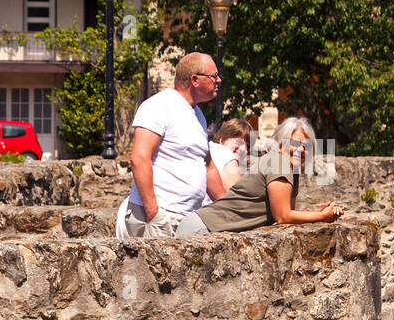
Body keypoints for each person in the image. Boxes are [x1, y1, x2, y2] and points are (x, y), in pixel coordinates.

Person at [175, 115, 344, 235]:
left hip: (209, 228)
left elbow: (289, 214)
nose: (301, 149)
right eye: (295, 143)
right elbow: (283, 216)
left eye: (306, 145)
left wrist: (320, 214)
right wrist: (322, 216)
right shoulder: (278, 161)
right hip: (203, 228)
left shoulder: (292, 171)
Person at [123, 53, 227, 238]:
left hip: (185, 218)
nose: (219, 80)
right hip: (159, 217)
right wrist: (154, 213)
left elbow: (208, 166)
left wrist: (229, 208)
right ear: (195, 79)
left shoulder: (198, 115)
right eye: (214, 76)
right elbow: (139, 158)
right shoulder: (159, 106)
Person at [202, 118, 252, 207]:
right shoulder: (224, 153)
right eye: (238, 142)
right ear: (222, 140)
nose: (244, 150)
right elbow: (239, 202)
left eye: (247, 146)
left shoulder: (209, 149)